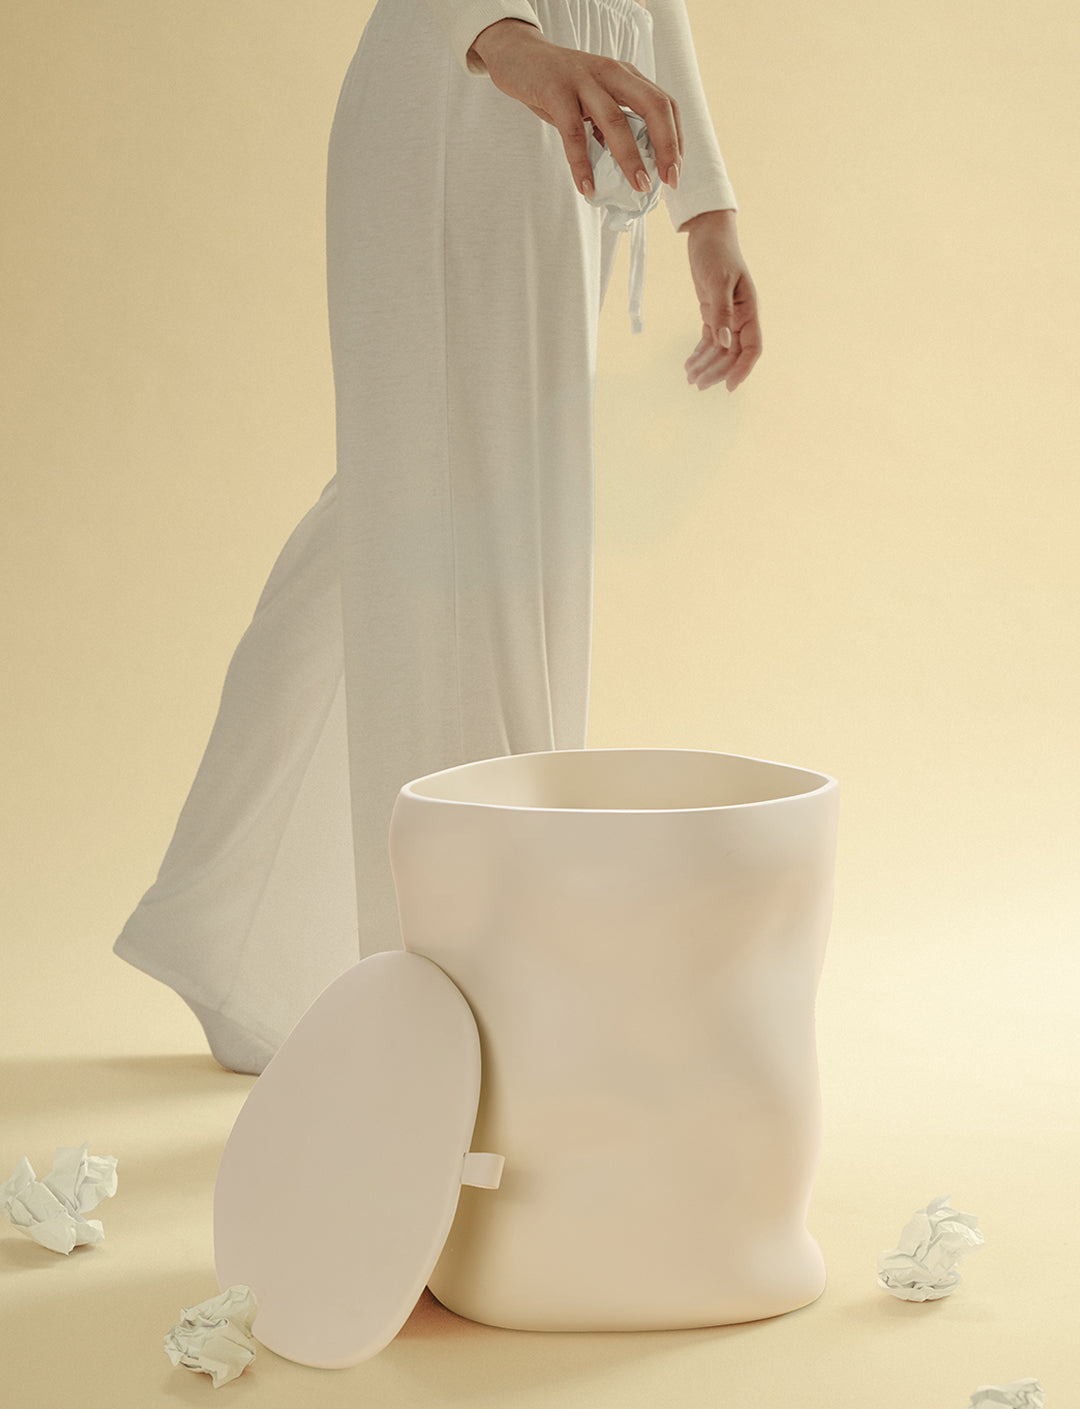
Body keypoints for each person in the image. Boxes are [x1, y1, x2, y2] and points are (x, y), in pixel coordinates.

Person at [112, 0, 762, 1073]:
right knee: (460, 538)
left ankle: (240, 942)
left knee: (426, 519)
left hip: (576, 116)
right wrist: (509, 43)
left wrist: (705, 206)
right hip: (461, 88)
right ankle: (462, 1007)